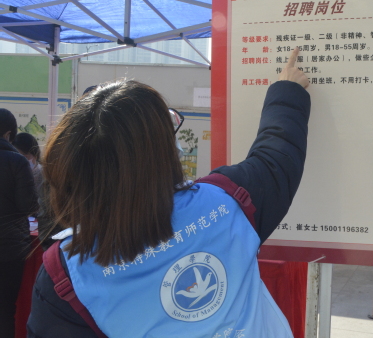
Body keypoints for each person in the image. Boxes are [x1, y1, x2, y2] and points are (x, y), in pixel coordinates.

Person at [27, 48, 310, 337]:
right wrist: (287, 91)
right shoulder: (228, 202)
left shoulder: (66, 273)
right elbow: (277, 155)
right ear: (161, 151)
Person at [0, 109, 38, 338]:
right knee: (5, 310)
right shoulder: (17, 162)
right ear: (8, 134)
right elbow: (29, 207)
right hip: (10, 248)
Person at [13, 132, 43, 197]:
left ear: (35, 155)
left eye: (26, 157)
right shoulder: (11, 177)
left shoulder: (45, 176)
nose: (22, 162)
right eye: (18, 158)